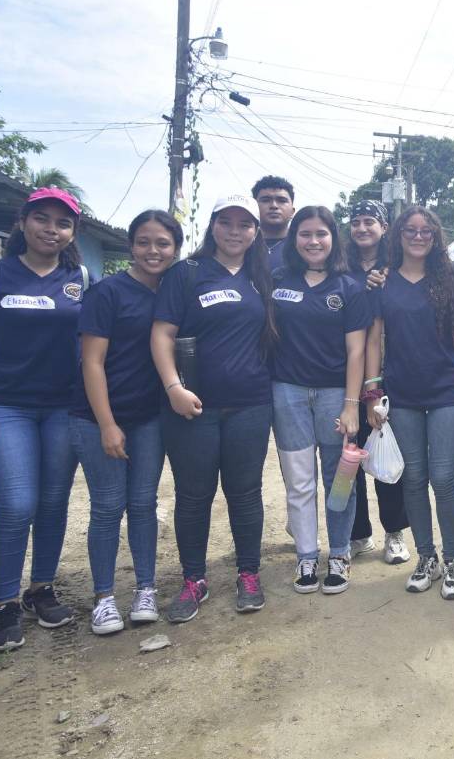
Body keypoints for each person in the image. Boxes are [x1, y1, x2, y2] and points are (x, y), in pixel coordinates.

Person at [0, 188, 91, 651]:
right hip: (5, 405)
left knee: (52, 502)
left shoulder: (82, 280)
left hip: (64, 407)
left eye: (63, 223)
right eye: (42, 219)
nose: (52, 229)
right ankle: (5, 603)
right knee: (16, 504)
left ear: (72, 232)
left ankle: (41, 588)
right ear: (23, 222)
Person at [151, 194, 276, 623]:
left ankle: (249, 574)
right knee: (193, 495)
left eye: (245, 224)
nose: (235, 231)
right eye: (227, 222)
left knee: (245, 493)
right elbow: (162, 334)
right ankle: (194, 579)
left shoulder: (262, 276)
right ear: (213, 226)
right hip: (193, 406)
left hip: (250, 404)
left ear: (255, 232)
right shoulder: (186, 273)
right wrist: (173, 387)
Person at [72, 210, 181, 635]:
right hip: (99, 417)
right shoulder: (108, 292)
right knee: (106, 506)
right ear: (131, 246)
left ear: (176, 248)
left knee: (142, 504)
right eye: (144, 242)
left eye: (163, 243)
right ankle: (103, 597)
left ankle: (145, 589)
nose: (153, 251)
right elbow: (92, 362)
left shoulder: (174, 291)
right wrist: (106, 423)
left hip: (149, 417)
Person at [364, 205, 454, 599]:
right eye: (410, 230)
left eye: (426, 230)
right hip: (403, 395)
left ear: (435, 237)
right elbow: (374, 340)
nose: (417, 236)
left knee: (443, 478)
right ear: (397, 235)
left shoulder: (448, 279)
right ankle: (426, 557)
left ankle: (451, 560)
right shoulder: (383, 282)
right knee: (413, 478)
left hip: (445, 391)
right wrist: (372, 392)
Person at [271, 206, 373, 594]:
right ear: (294, 239)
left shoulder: (349, 287)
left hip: (335, 394)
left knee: (340, 479)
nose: (313, 241)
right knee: (300, 481)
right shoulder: (277, 282)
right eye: (305, 234)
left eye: (321, 234)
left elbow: (357, 352)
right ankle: (307, 555)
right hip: (288, 392)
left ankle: (340, 553)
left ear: (333, 239)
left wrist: (351, 404)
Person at [344, 199, 410, 564]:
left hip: (388, 376)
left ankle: (395, 532)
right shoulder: (340, 267)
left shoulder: (396, 267)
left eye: (369, 221)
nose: (362, 228)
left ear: (384, 228)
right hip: (341, 377)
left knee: (387, 453)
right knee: (347, 459)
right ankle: (357, 534)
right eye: (356, 222)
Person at [252, 175, 295, 272]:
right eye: (266, 200)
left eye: (282, 201)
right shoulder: (241, 245)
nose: (274, 206)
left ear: (292, 212)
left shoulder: (302, 247)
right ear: (253, 208)